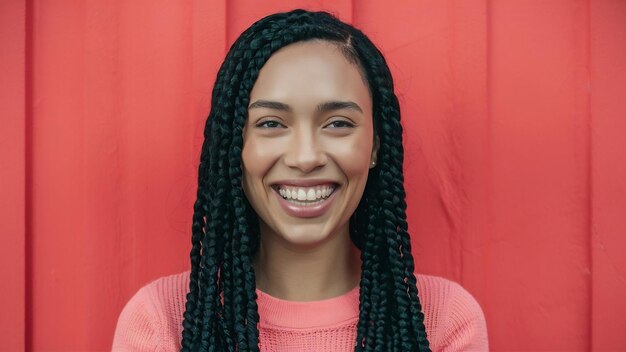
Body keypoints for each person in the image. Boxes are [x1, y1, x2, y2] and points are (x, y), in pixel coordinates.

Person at [112, 9, 488, 352]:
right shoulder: (162, 323)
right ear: (234, 148)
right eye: (271, 124)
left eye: (338, 123)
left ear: (375, 145)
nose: (305, 157)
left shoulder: (442, 323)